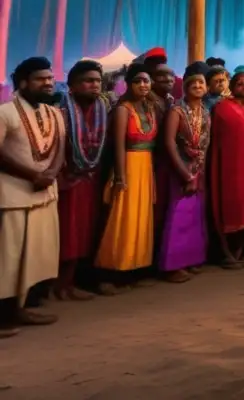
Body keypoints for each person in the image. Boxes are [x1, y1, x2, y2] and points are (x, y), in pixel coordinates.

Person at [0, 57, 65, 334]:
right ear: (23, 82)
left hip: (45, 194)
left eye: (50, 78)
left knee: (36, 256)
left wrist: (51, 171)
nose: (48, 83)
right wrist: (31, 175)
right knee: (8, 259)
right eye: (41, 79)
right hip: (13, 196)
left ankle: (23, 309)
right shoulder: (5, 113)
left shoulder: (54, 113)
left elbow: (61, 145)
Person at [95, 63, 159, 292]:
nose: (143, 85)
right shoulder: (123, 109)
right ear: (129, 84)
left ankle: (133, 268)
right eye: (138, 81)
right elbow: (119, 145)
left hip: (146, 166)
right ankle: (108, 272)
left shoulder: (151, 107)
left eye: (146, 81)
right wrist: (120, 176)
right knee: (121, 218)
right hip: (128, 166)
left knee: (141, 219)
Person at [53, 60, 109, 301]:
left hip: (91, 180)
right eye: (88, 81)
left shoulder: (102, 108)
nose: (94, 85)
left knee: (84, 232)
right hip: (66, 180)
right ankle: (58, 285)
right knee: (65, 233)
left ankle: (71, 282)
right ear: (72, 86)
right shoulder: (60, 110)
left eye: (97, 81)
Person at [159, 62, 212, 283]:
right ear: (186, 88)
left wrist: (199, 171)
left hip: (197, 167)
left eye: (202, 83)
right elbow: (169, 142)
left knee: (194, 215)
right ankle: (172, 266)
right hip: (178, 168)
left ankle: (189, 260)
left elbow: (206, 142)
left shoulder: (206, 112)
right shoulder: (177, 111)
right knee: (178, 215)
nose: (198, 86)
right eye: (194, 83)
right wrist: (184, 172)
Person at [209, 66, 244, 269]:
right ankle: (225, 252)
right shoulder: (222, 107)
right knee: (230, 207)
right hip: (228, 167)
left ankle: (238, 252)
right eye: (240, 83)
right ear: (232, 86)